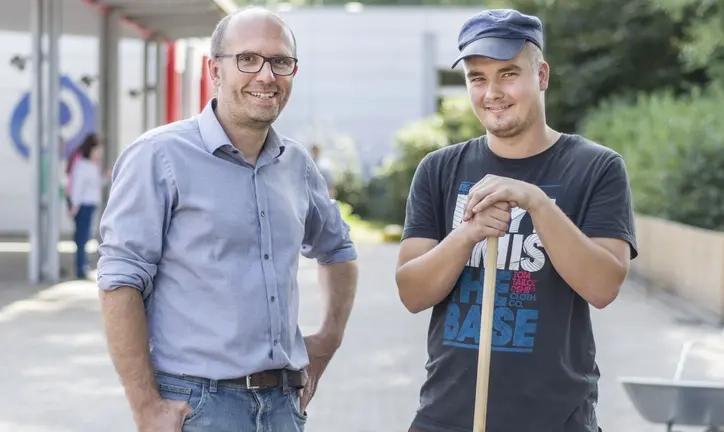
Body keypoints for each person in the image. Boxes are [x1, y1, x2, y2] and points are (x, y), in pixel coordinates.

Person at [97, 7, 358, 432]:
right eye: (248, 59)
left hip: (282, 407)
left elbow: (339, 251)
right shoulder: (158, 157)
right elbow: (119, 281)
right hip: (196, 408)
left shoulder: (297, 165)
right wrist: (145, 406)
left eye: (280, 61)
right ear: (213, 69)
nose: (266, 76)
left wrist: (327, 340)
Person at [396, 9, 638, 432]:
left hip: (556, 420)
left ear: (541, 75)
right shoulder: (438, 169)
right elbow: (412, 293)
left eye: (508, 74)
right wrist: (469, 233)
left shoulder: (596, 167)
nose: (492, 92)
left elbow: (603, 288)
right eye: (477, 78)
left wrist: (539, 204)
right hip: (448, 417)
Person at [68, 133, 104, 279]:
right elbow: (78, 186)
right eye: (98, 150)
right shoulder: (82, 165)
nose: (100, 153)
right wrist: (75, 205)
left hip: (91, 205)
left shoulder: (92, 166)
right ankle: (80, 268)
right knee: (81, 238)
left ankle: (83, 266)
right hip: (83, 206)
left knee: (86, 237)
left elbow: (95, 185)